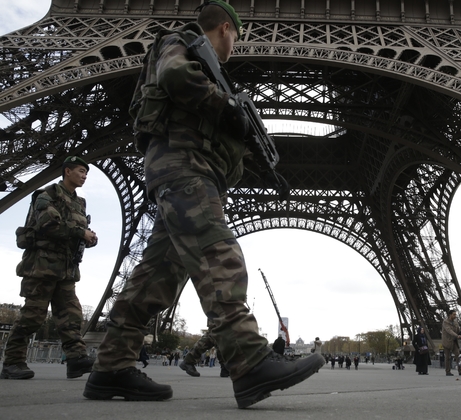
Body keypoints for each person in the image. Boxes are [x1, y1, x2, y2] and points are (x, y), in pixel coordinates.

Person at [82, 1, 324, 407]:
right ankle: (249, 361)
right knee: (218, 252)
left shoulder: (205, 69)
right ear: (226, 28)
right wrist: (229, 108)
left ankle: (110, 367)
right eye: (236, 38)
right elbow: (175, 75)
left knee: (156, 277)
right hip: (183, 165)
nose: (234, 48)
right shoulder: (179, 44)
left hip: (186, 168)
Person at [1, 156, 98, 380]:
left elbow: (74, 233)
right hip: (41, 267)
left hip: (66, 269)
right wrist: (79, 232)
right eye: (81, 171)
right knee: (32, 317)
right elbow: (47, 225)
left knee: (71, 316)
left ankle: (76, 359)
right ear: (67, 171)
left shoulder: (79, 203)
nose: (84, 176)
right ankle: (12, 362)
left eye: (86, 173)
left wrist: (89, 239)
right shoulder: (47, 195)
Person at [441, 309, 461, 376]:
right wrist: (457, 335)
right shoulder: (445, 322)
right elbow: (449, 330)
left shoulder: (455, 322)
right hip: (447, 341)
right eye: (454, 314)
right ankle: (447, 371)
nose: (455, 316)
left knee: (458, 355)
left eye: (455, 314)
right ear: (450, 315)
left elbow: (458, 330)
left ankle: (460, 370)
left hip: (454, 341)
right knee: (448, 357)